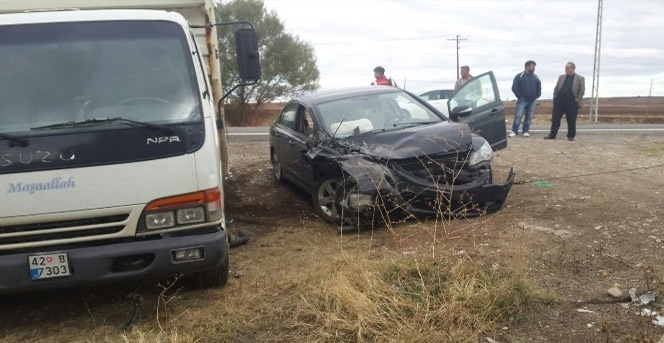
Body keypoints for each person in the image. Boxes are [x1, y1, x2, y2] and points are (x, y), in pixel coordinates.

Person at [545, 62, 585, 141]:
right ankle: (552, 135)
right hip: (559, 102)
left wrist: (576, 101)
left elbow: (581, 91)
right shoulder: (561, 77)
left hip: (571, 102)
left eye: (567, 68)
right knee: (555, 119)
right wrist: (555, 97)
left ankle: (571, 136)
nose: (565, 70)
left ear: (573, 69)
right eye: (565, 68)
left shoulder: (580, 78)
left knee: (571, 120)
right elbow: (556, 88)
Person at [508, 60, 541, 137]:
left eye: (534, 67)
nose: (534, 68)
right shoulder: (519, 76)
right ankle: (514, 131)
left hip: (532, 100)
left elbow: (539, 86)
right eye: (532, 66)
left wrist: (537, 95)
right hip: (522, 100)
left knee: (529, 116)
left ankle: (525, 131)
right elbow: (514, 87)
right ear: (527, 67)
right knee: (518, 115)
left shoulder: (535, 77)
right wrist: (519, 96)